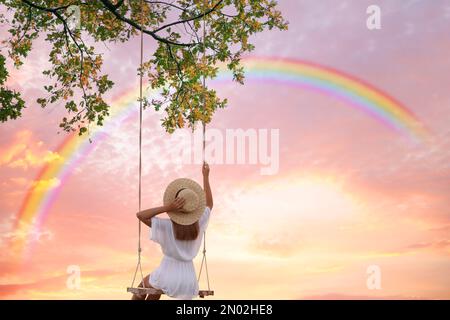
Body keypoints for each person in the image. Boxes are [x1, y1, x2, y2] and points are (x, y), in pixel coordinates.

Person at [132, 163, 213, 300]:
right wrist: (206, 177)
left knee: (142, 287)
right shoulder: (199, 223)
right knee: (154, 290)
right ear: (193, 208)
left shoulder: (167, 226)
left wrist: (168, 207)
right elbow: (209, 204)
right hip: (189, 280)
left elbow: (140, 215)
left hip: (167, 274)